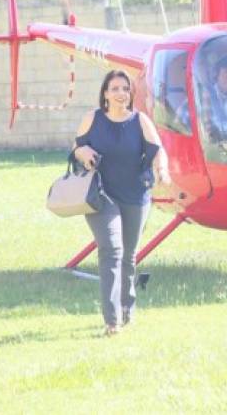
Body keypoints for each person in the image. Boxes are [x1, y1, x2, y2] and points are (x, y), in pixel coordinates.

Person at [73, 69, 170, 336]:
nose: (120, 94)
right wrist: (83, 151)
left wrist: (163, 171)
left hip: (135, 196)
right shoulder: (91, 119)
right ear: (105, 93)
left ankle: (127, 308)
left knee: (128, 256)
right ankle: (112, 320)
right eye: (114, 88)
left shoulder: (140, 121)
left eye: (125, 89)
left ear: (130, 93)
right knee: (111, 250)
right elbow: (76, 147)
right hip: (100, 195)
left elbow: (157, 151)